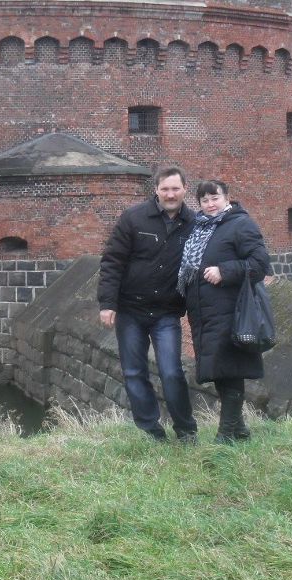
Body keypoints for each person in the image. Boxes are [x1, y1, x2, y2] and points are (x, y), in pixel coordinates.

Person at [97, 166, 198, 442]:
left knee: (171, 372)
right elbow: (112, 261)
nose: (170, 194)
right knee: (133, 371)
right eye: (165, 189)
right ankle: (151, 430)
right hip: (131, 310)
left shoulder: (194, 224)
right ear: (156, 190)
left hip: (166, 311)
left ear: (185, 189)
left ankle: (186, 430)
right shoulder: (134, 218)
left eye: (175, 188)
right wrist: (107, 303)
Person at [177, 180, 271, 443]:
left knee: (231, 371)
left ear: (227, 198)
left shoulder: (241, 224)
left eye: (214, 198)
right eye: (204, 200)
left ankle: (225, 435)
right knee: (219, 372)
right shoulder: (199, 228)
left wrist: (225, 271)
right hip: (204, 314)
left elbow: (260, 264)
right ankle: (239, 429)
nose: (210, 204)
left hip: (231, 312)